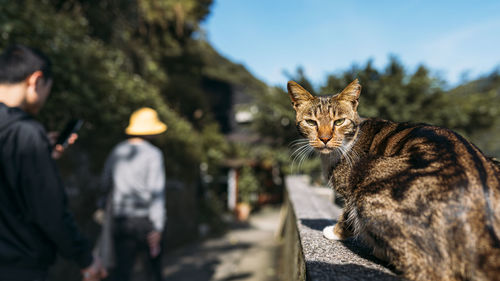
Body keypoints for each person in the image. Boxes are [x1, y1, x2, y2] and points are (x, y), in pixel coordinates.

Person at [0, 44, 107, 281]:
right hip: (18, 267)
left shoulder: (20, 136)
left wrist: (40, 156)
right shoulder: (25, 133)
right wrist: (85, 258)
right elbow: (50, 211)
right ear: (36, 81)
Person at [100, 107, 167, 281]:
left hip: (120, 220)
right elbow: (157, 193)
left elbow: (105, 182)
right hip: (144, 221)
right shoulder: (153, 155)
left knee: (121, 270)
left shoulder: (118, 151)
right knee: (151, 272)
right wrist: (158, 227)